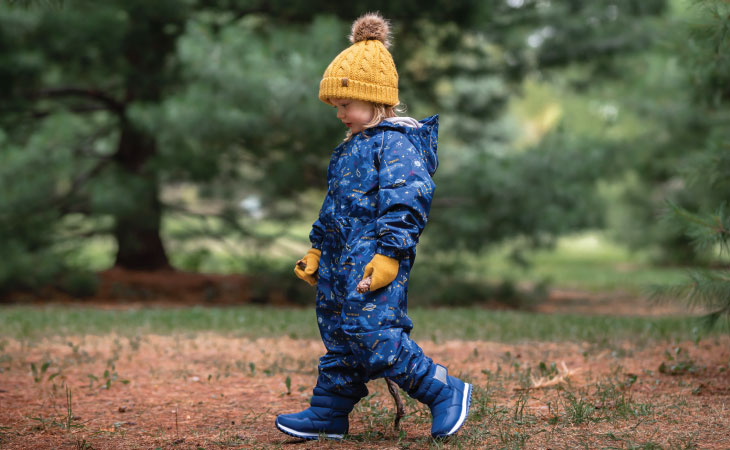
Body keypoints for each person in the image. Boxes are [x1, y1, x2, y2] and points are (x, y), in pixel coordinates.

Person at [275, 12, 472, 440]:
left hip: (374, 260)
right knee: (341, 334)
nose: (340, 113)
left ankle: (443, 390)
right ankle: (329, 412)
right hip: (338, 262)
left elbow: (408, 199)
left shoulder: (397, 144)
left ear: (374, 99)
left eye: (345, 104)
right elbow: (333, 208)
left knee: (374, 333)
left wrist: (390, 254)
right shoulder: (347, 151)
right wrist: (317, 249)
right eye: (336, 106)